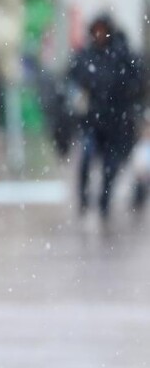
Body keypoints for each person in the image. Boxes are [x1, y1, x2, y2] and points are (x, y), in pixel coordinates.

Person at [66, 13, 144, 223]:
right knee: (86, 158)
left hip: (117, 124)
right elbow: (74, 81)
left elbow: (136, 84)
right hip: (93, 122)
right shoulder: (86, 56)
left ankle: (104, 204)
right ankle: (84, 200)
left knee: (111, 167)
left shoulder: (122, 56)